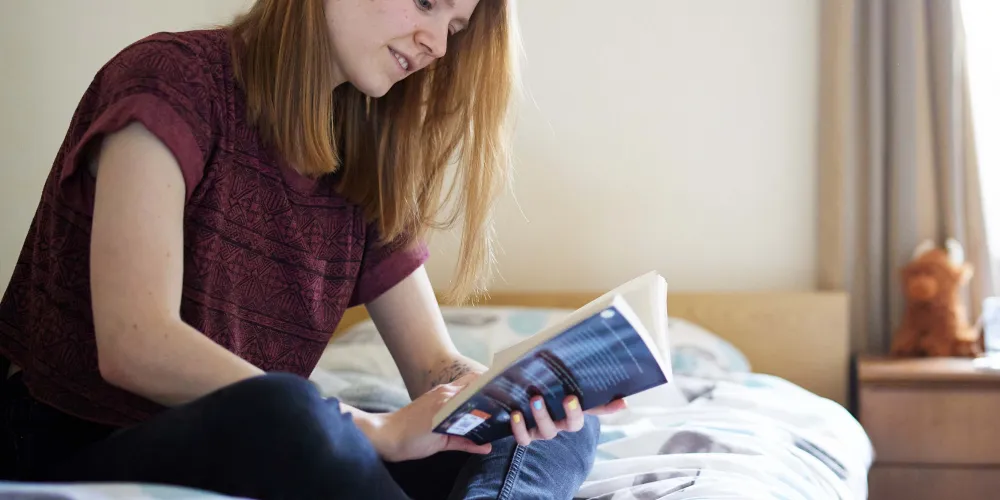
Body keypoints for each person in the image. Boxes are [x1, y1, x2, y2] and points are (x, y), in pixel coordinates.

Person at [0, 0, 625, 498]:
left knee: (556, 432)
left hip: (269, 449)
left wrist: (517, 395)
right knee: (291, 410)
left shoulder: (367, 151)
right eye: (426, 2)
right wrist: (370, 429)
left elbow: (435, 371)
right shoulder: (172, 79)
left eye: (455, 25)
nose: (438, 43)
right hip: (77, 444)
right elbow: (135, 345)